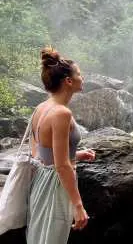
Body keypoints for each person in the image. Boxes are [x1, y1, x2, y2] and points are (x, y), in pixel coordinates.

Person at [26, 47, 95, 244]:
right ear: (69, 81)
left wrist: (76, 155)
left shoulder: (42, 107)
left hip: (40, 181)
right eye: (80, 74)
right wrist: (78, 206)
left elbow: (38, 150)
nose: (83, 77)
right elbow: (62, 166)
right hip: (55, 186)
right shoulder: (61, 114)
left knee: (39, 237)